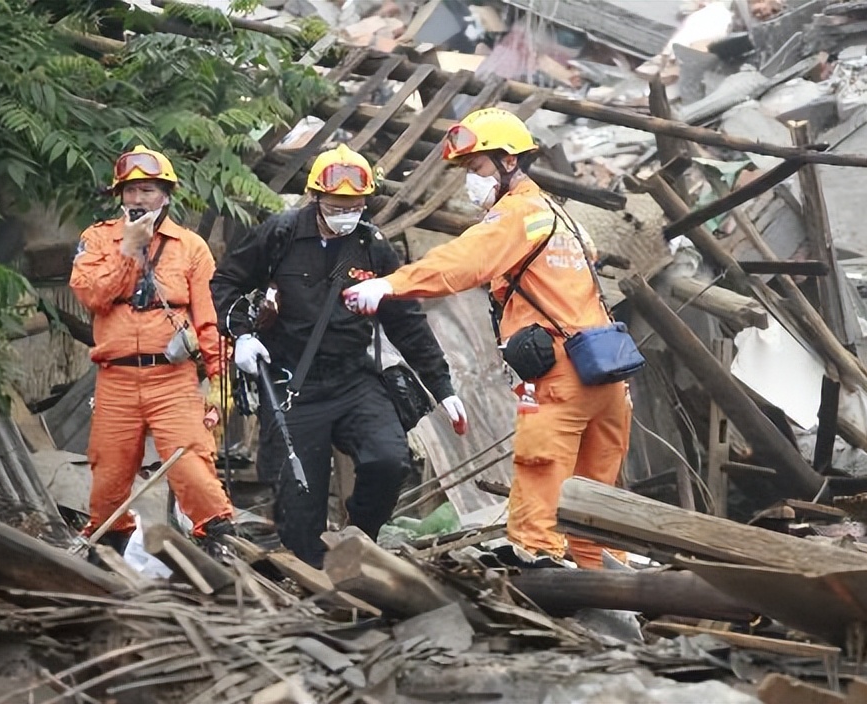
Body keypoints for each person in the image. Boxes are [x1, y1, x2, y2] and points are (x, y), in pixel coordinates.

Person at [343, 108, 632, 570]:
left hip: (560, 376)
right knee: (594, 498)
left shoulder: (517, 214)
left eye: (476, 168)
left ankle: (543, 572)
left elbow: (465, 262)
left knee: (540, 491)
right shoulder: (561, 215)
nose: (470, 181)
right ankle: (609, 585)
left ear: (509, 161)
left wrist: (391, 284)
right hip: (608, 372)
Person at [210, 144, 467, 566]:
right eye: (337, 205)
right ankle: (311, 576)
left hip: (353, 377)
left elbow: (405, 319)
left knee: (389, 460)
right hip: (292, 384)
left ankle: (358, 537)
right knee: (298, 505)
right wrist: (241, 335)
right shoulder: (280, 234)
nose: (346, 213)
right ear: (316, 197)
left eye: (355, 206)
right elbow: (226, 283)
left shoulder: (372, 246)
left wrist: (442, 387)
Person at [70, 145, 236, 555]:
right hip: (116, 380)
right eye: (131, 191)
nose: (138, 199)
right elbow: (91, 295)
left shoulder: (190, 246)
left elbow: (210, 321)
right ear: (119, 196)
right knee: (108, 476)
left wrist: (221, 385)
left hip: (172, 379)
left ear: (165, 195)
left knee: (191, 465)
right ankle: (108, 554)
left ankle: (221, 546)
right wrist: (127, 250)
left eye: (148, 190)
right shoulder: (97, 238)